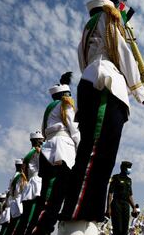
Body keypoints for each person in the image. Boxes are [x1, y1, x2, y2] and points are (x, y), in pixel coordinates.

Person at [58, 0, 144, 233]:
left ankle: (85, 217)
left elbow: (92, 60)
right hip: (107, 85)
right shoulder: (107, 20)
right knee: (97, 154)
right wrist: (142, 93)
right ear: (112, 9)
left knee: (98, 155)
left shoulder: (87, 32)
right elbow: (122, 52)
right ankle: (78, 217)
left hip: (97, 82)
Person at [32, 72, 80, 235]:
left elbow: (45, 132)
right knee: (60, 190)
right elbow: (73, 127)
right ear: (65, 94)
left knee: (47, 193)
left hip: (48, 148)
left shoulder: (48, 109)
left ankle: (37, 227)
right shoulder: (66, 103)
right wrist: (80, 145)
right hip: (62, 146)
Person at [15, 131, 44, 235]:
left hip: (32, 183)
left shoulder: (33, 152)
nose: (43, 141)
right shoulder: (36, 151)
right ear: (37, 140)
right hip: (36, 182)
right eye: (41, 140)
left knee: (28, 215)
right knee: (34, 213)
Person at [105, 161, 137, 235]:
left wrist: (134, 207)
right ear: (123, 168)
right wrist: (108, 208)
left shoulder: (129, 180)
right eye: (128, 168)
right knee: (117, 229)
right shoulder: (115, 177)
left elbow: (130, 195)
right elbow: (110, 193)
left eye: (130, 168)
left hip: (126, 205)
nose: (130, 169)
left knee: (125, 230)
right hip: (116, 204)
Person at [5, 159, 27, 235]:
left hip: (14, 201)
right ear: (21, 166)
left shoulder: (14, 176)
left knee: (13, 224)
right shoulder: (20, 176)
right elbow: (23, 189)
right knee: (18, 223)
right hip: (19, 200)